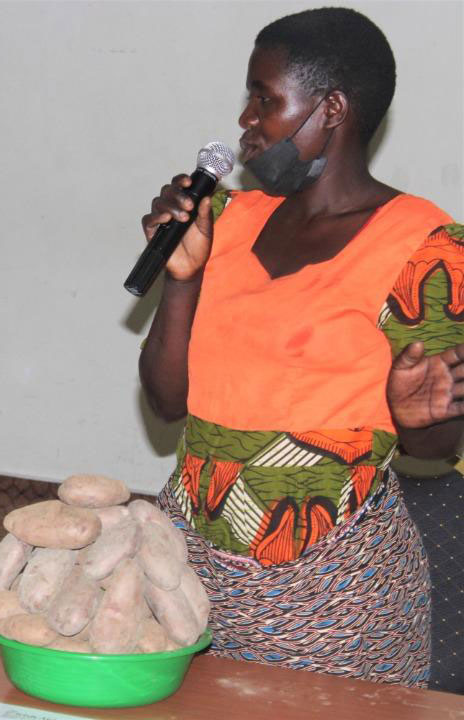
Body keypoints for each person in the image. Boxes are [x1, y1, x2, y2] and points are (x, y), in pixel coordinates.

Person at [139, 7, 463, 687]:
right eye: (248, 99)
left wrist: (416, 418)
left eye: (265, 99)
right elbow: (167, 404)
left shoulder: (425, 246)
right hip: (187, 575)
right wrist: (182, 277)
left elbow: (436, 450)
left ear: (332, 108)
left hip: (335, 595)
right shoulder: (225, 219)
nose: (245, 123)